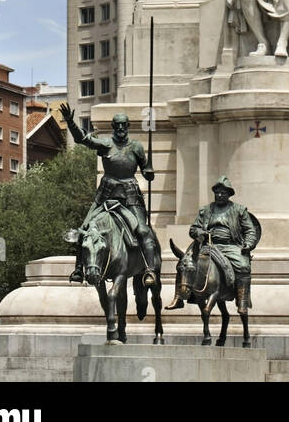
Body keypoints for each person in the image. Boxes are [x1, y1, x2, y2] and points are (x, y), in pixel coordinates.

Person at [61, 106, 158, 287]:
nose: (120, 129)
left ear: (128, 126)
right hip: (105, 196)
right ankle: (79, 269)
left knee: (144, 231)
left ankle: (150, 270)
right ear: (113, 127)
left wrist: (148, 172)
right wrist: (70, 122)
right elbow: (82, 139)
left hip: (130, 198)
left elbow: (145, 169)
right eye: (117, 126)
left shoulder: (136, 146)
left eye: (123, 125)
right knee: (84, 228)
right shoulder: (106, 144)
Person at [169, 177, 259, 315]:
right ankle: (179, 297)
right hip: (208, 244)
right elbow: (193, 229)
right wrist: (201, 233)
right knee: (185, 262)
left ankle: (242, 301)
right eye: (217, 192)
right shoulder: (206, 210)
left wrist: (248, 244)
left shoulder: (239, 210)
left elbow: (250, 230)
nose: (219, 195)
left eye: (223, 192)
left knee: (243, 265)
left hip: (230, 246)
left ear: (229, 194)